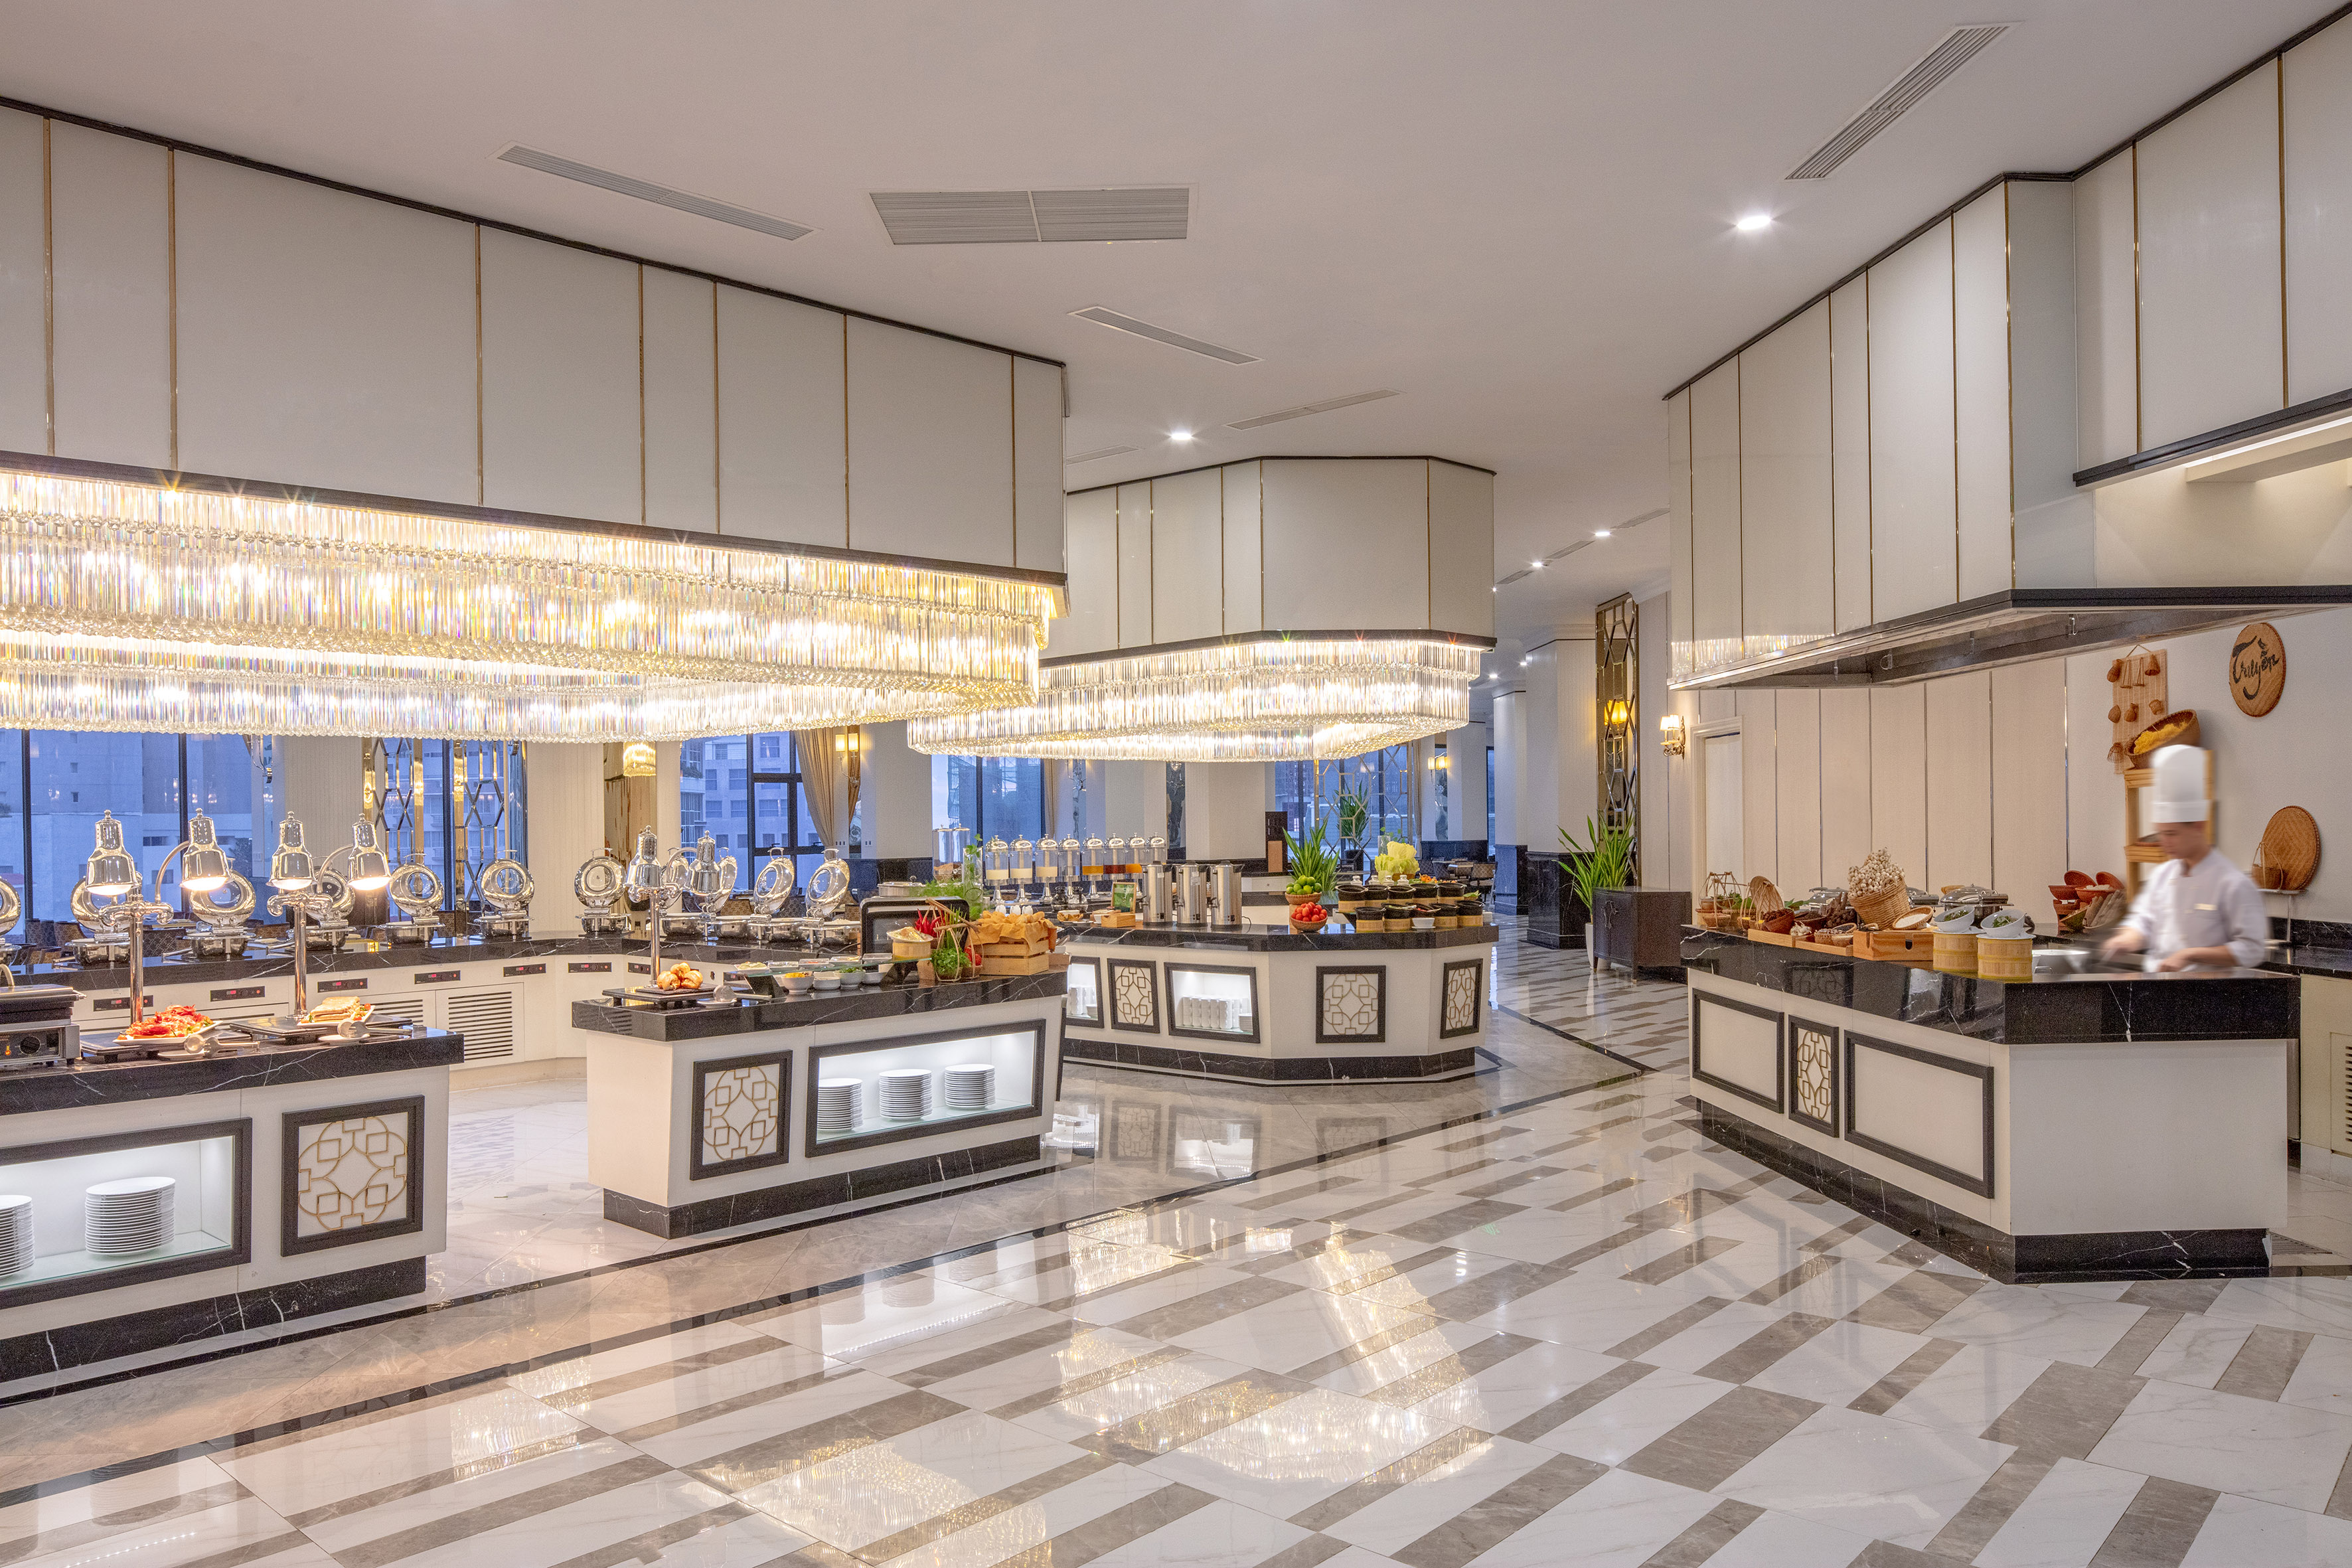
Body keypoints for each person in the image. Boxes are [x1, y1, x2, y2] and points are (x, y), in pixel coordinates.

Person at [2101, 744, 2268, 972]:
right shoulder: (2162, 876)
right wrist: (2127, 938)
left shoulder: (2232, 882)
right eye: (2161, 833)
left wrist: (2191, 955)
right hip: (2161, 990)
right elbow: (2144, 920)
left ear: (2198, 826)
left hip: (2209, 998)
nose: (2165, 842)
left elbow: (2252, 948)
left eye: (2172, 834)